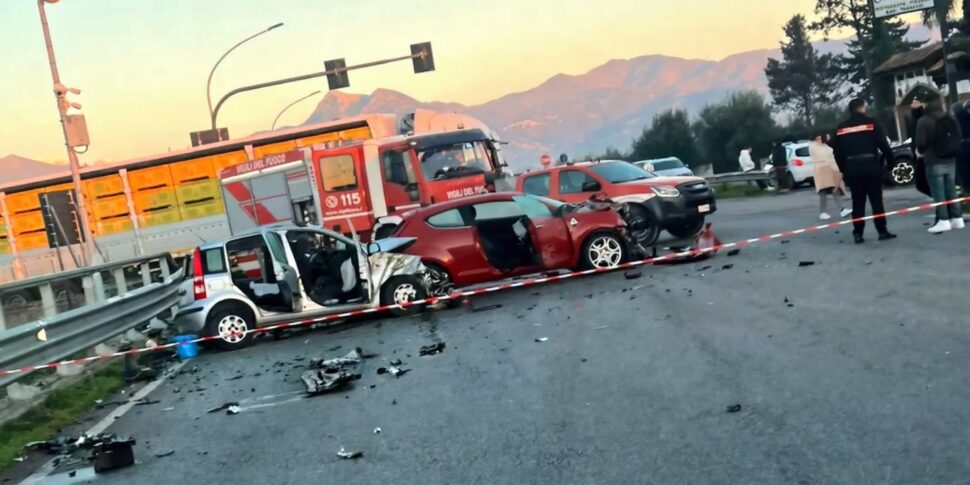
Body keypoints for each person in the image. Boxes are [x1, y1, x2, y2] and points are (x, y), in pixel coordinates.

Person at [831, 98, 897, 244]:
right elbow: (884, 145)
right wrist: (890, 164)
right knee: (876, 202)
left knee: (858, 203)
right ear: (862, 108)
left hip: (852, 170)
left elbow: (836, 152)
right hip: (871, 167)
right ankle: (882, 231)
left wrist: (843, 169)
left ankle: (858, 234)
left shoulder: (841, 128)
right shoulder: (871, 123)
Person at [915, 95, 965, 233]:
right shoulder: (950, 117)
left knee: (938, 192)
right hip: (950, 160)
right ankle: (957, 218)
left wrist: (921, 151)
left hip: (934, 160)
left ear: (926, 105)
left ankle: (943, 220)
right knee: (951, 190)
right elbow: (959, 135)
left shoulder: (924, 120)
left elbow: (920, 142)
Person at [809, 132, 851, 220]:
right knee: (823, 191)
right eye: (826, 136)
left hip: (831, 169)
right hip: (822, 170)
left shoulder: (826, 145)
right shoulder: (813, 145)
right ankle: (822, 212)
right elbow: (822, 156)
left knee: (835, 189)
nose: (828, 137)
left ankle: (842, 209)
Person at [952, 100, 970, 192]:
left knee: (963, 172)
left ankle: (966, 190)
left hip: (961, 147)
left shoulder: (954, 121)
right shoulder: (968, 117)